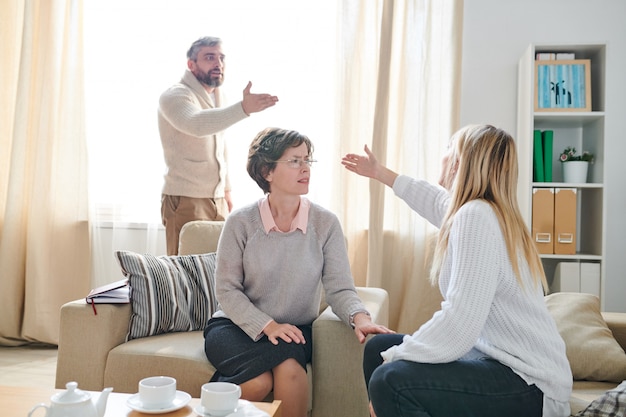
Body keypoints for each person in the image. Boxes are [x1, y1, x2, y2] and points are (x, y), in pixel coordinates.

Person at [341, 124, 573, 417]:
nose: (443, 154)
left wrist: (398, 357)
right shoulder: (478, 211)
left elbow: (460, 324)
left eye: (449, 146)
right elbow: (430, 199)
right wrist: (380, 172)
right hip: (499, 362)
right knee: (379, 348)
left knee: (390, 380)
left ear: (460, 162)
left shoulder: (476, 217)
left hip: (530, 383)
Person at [203, 127, 394, 417]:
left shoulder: (325, 224)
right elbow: (227, 290)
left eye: (307, 160)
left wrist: (360, 317)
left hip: (296, 331)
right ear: (267, 171)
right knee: (256, 383)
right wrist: (269, 326)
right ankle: (201, 406)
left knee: (289, 369)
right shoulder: (240, 223)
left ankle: (213, 398)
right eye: (294, 161)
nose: (305, 168)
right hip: (237, 327)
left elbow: (340, 288)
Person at [159, 36, 279, 255]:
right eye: (209, 57)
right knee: (184, 273)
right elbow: (196, 124)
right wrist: (243, 108)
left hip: (217, 200)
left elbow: (220, 145)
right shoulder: (175, 95)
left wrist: (226, 189)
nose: (218, 63)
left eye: (221, 58)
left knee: (218, 269)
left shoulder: (217, 96)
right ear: (191, 64)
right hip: (185, 198)